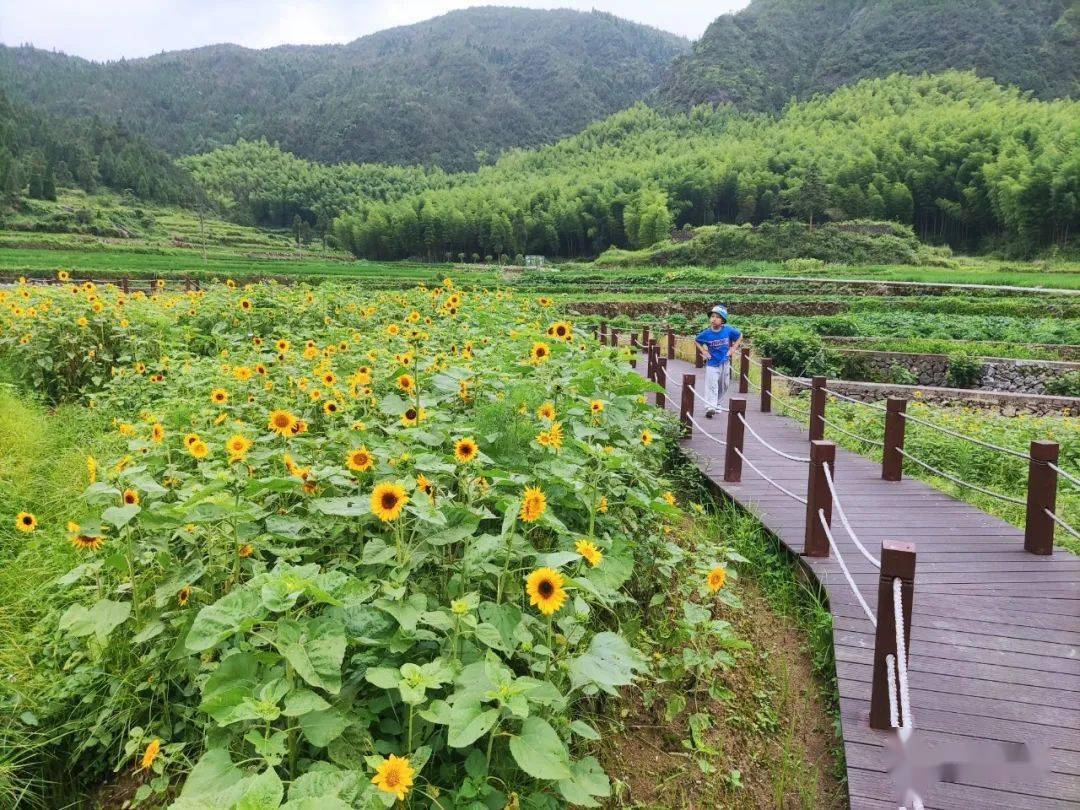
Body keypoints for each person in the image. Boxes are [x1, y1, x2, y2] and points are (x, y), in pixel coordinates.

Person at [695, 305, 741, 417]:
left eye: (717, 317)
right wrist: (704, 351)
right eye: (712, 316)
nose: (714, 319)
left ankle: (717, 403)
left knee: (724, 385)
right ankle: (710, 407)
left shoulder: (728, 330)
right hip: (712, 363)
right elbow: (697, 340)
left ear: (723, 320)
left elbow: (740, 336)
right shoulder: (706, 333)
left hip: (725, 362)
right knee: (712, 385)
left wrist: (733, 348)